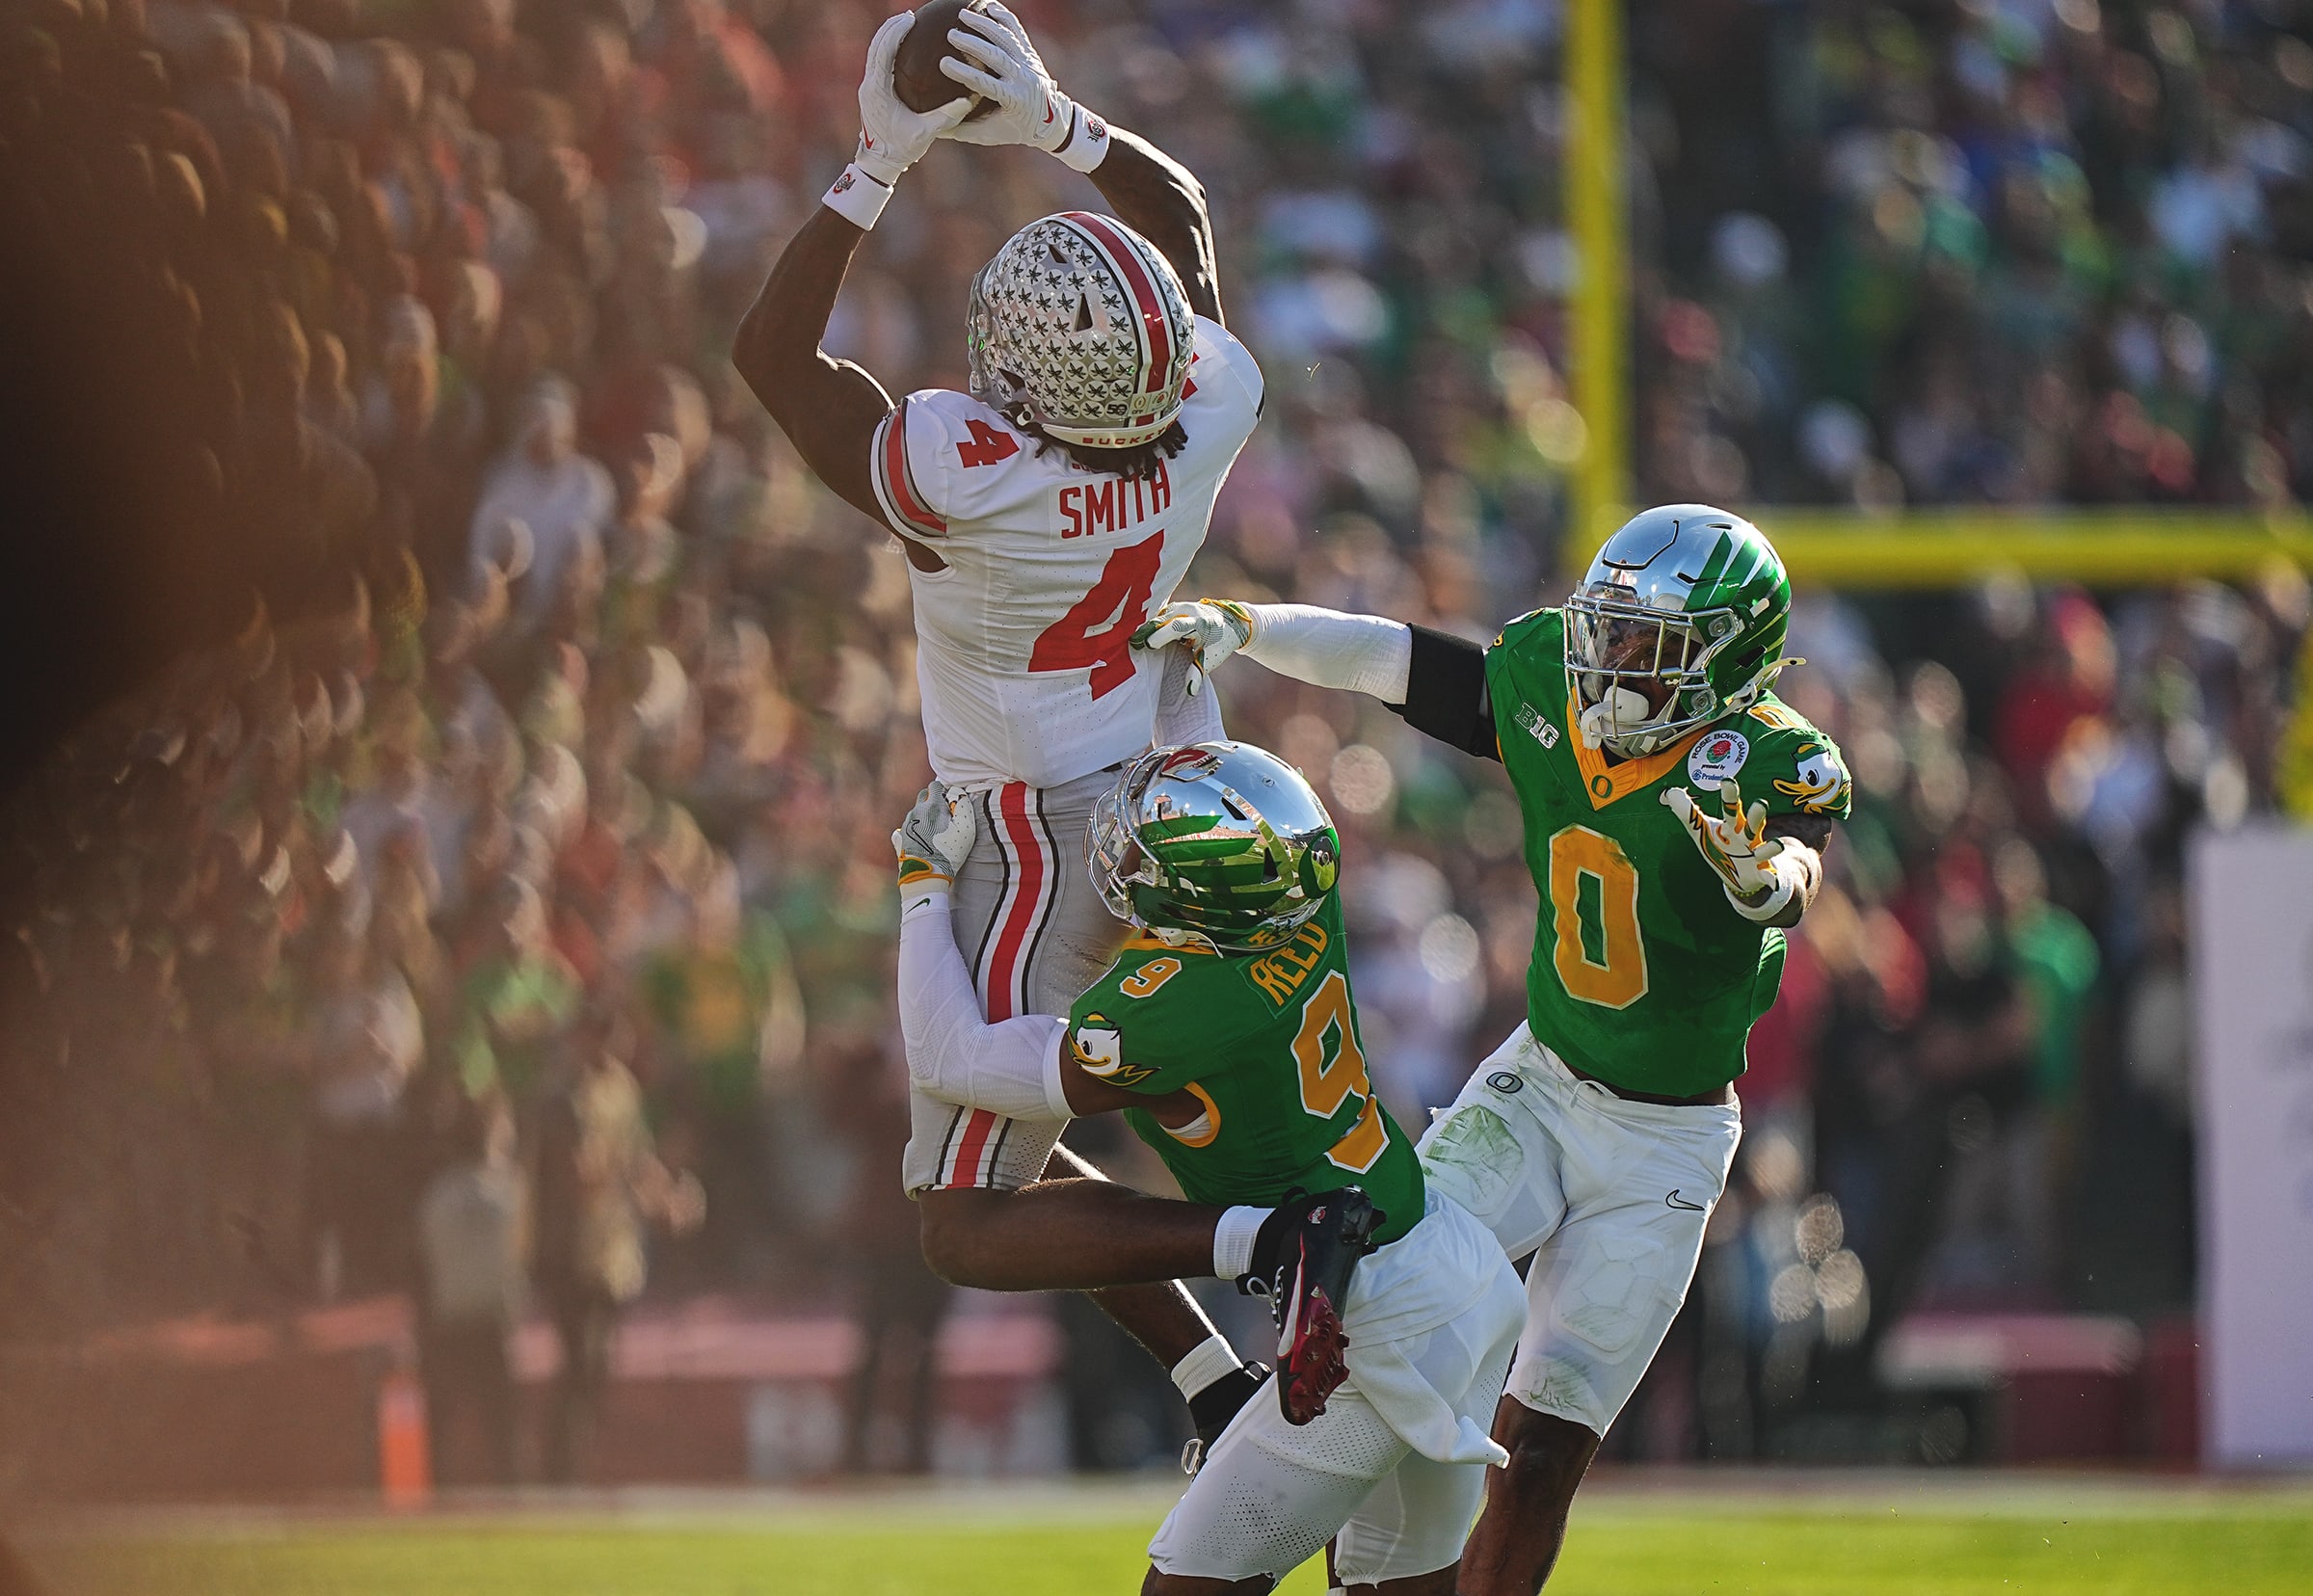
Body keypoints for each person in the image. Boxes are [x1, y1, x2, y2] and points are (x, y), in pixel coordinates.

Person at [730, 4, 1273, 1441]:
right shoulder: (1207, 415)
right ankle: (1220, 1377)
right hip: (1162, 779)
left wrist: (872, 165)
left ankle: (1251, 1250)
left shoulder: (970, 478)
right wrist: (1063, 122)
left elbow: (775, 361)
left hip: (1033, 834)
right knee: (1029, 1153)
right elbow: (1190, 220)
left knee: (963, 1220)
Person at [1141, 506, 1851, 1594]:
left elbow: (1798, 858)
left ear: (1729, 662)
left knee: (1543, 1450)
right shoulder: (1552, 694)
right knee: (1381, 1307)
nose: (1607, 663)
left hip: (1666, 1139)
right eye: (1606, 631)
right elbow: (1401, 662)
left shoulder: (1772, 757)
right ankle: (1315, 1546)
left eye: (1645, 646)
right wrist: (1253, 622)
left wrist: (1768, 882)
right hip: (1541, 1086)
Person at [891, 743, 1524, 1594]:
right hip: (1453, 1264)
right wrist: (1184, 687)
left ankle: (1272, 1239)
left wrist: (923, 889)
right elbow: (1245, 799)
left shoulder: (1168, 1006)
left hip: (1372, 1313)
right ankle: (1275, 1246)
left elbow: (947, 1059)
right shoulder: (1306, 888)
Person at [529, 1000, 704, 1483]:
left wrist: (664, 1197)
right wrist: (642, 1182)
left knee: (596, 1362)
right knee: (580, 1359)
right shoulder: (563, 1098)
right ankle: (559, 1471)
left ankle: (572, 1467)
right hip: (568, 1247)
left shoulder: (621, 1090)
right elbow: (580, 1175)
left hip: (613, 1247)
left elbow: (635, 1158)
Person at [416, 1093, 525, 1485]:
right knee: (500, 1423)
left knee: (444, 1421)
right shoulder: (510, 1191)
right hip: (490, 1318)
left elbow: (427, 1256)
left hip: (448, 1317)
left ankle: (439, 1495)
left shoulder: (439, 1193)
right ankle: (510, 1495)